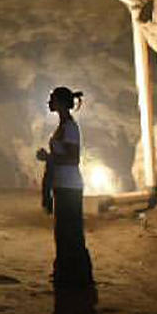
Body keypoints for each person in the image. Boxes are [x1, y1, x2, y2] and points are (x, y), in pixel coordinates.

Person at [36, 86, 94, 287]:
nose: (49, 102)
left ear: (60, 103)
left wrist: (48, 157)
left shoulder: (70, 127)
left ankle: (77, 277)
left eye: (52, 99)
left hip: (70, 186)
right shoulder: (63, 126)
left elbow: (72, 158)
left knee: (70, 232)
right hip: (63, 185)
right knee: (64, 231)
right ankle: (67, 272)